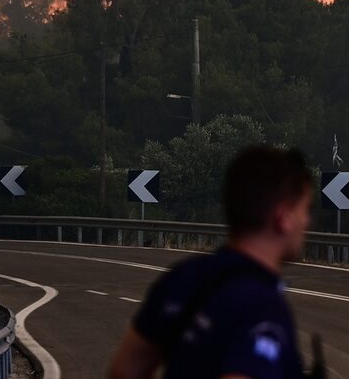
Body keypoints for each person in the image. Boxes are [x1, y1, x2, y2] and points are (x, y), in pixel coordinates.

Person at [108, 145, 317, 379]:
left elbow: (124, 371)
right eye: (304, 209)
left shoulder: (183, 277)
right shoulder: (262, 306)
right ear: (283, 217)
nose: (307, 221)